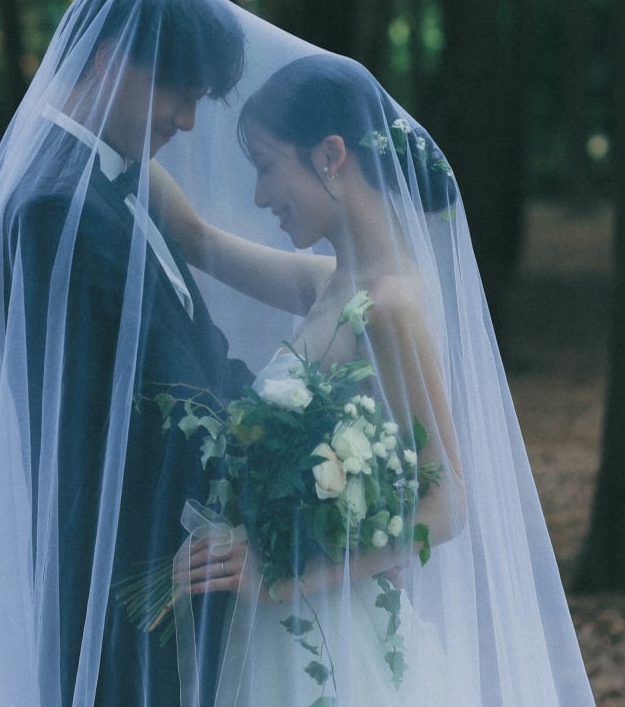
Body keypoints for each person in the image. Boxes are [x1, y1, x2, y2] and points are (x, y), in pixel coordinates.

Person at [149, 51, 597, 705]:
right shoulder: (327, 285)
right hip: (286, 633)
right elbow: (192, 237)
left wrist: (283, 573)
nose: (259, 195)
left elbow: (446, 507)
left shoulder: (389, 308)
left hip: (332, 643)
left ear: (332, 155)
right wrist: (103, 125)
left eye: (267, 166)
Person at [0, 0, 257, 706]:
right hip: (124, 573)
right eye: (181, 94)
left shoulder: (110, 184)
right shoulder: (55, 209)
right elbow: (120, 419)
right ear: (109, 62)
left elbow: (196, 358)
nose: (189, 121)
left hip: (163, 565)